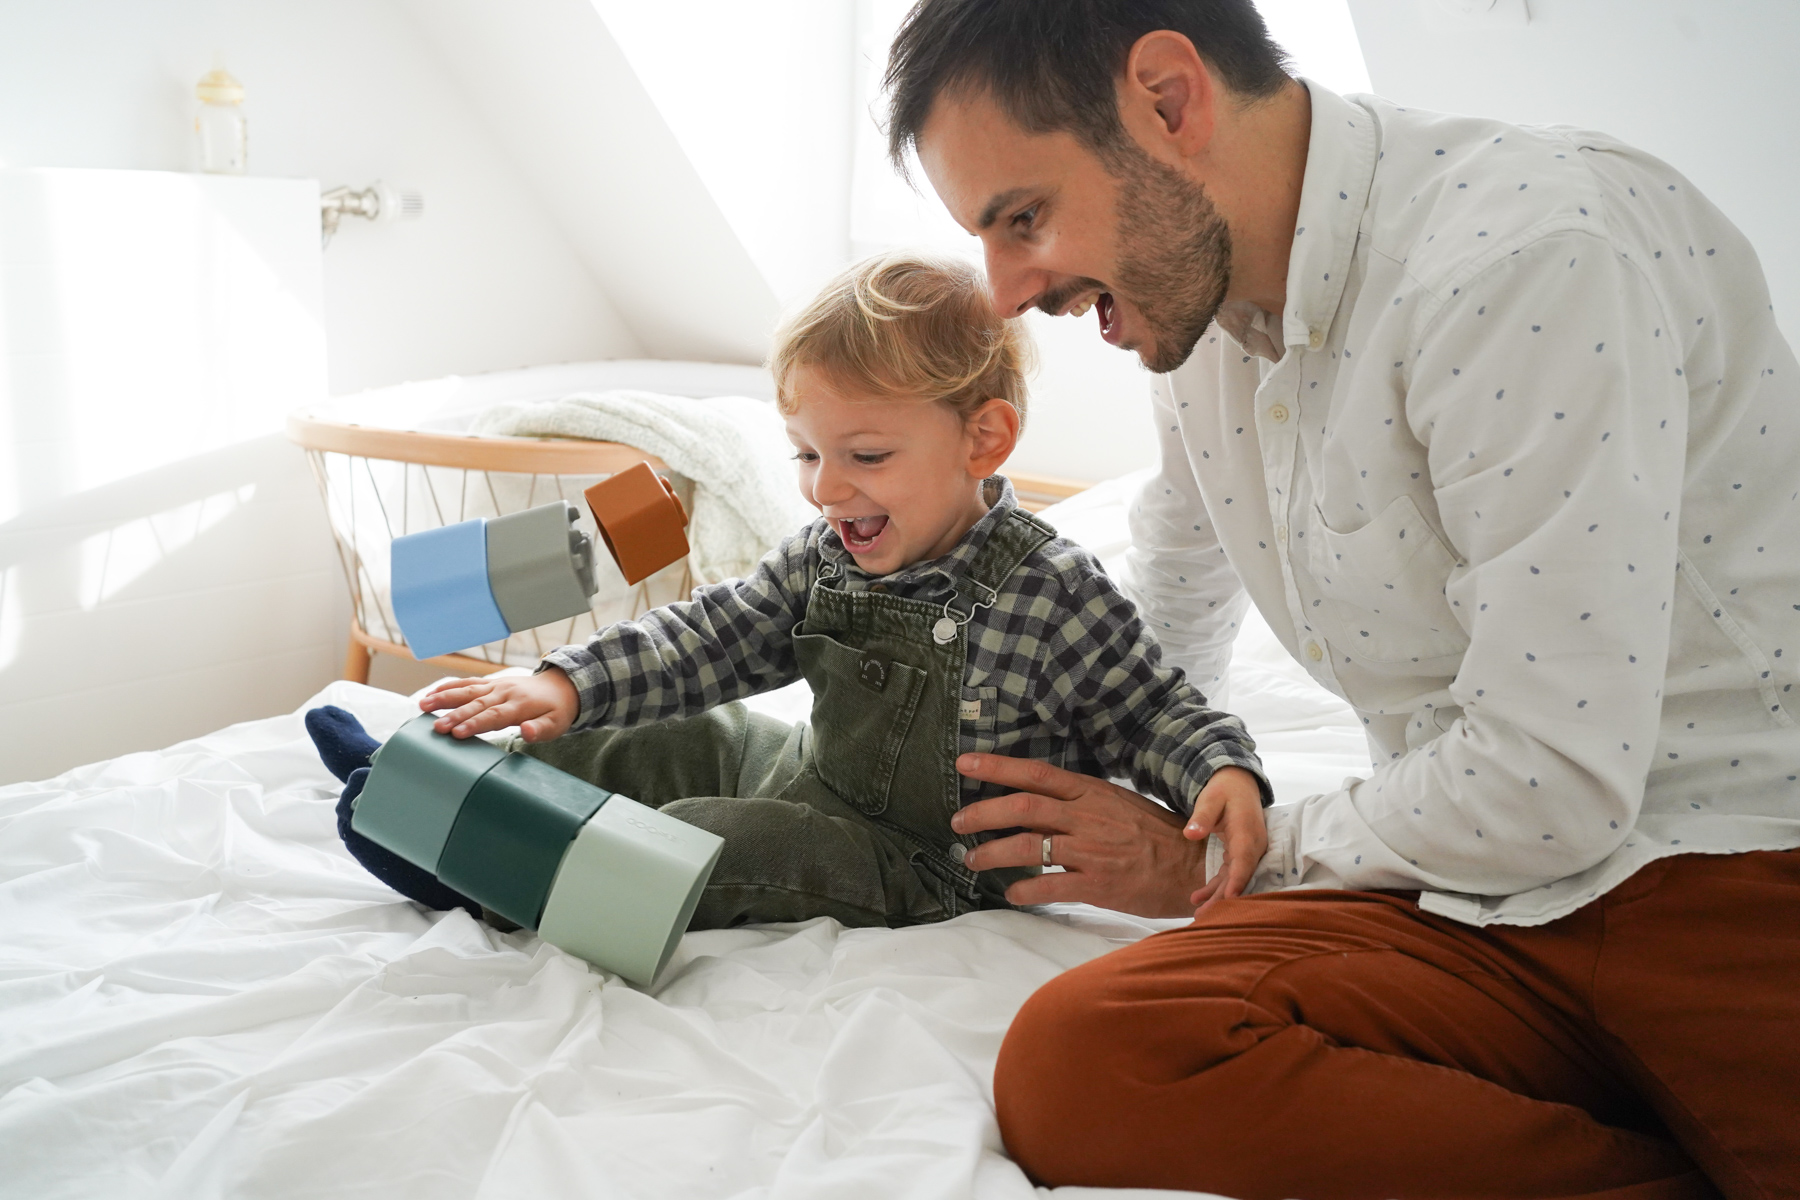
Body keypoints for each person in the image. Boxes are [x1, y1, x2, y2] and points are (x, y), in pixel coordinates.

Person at [881, 1, 1800, 1197]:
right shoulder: (1196, 308)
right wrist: (1086, 764)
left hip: (1723, 868)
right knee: (1084, 1061)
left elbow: (1553, 780)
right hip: (1474, 896)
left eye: (1024, 218)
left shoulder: (1522, 255)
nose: (1002, 291)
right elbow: (1175, 581)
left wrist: (1205, 868)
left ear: (1168, 100)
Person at [312, 250, 1270, 933]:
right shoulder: (828, 553)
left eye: (866, 455)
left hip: (919, 862)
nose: (825, 487)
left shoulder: (1055, 594)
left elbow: (1154, 711)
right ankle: (416, 774)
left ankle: (468, 869)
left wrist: (1219, 774)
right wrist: (567, 684)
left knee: (698, 841)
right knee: (645, 734)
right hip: (807, 772)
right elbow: (711, 638)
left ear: (984, 441)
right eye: (807, 455)